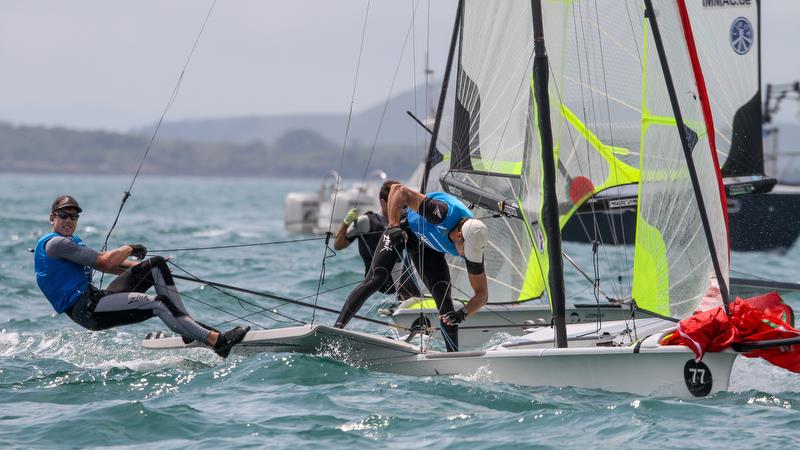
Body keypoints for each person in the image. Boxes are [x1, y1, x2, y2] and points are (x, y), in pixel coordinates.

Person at [34, 195, 249, 358]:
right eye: (63, 215)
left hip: (96, 298)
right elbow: (105, 262)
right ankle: (217, 342)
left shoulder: (71, 241)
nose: (69, 220)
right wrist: (130, 248)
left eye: (74, 216)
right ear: (52, 218)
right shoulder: (55, 244)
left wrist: (141, 267)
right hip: (88, 310)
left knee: (155, 266)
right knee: (158, 304)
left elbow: (111, 267)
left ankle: (190, 329)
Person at [335, 184, 489, 352]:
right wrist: (393, 225)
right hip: (403, 227)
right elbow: (397, 190)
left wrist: (462, 314)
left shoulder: (474, 241)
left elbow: (482, 295)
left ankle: (452, 358)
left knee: (444, 300)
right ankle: (337, 329)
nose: (464, 254)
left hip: (428, 248)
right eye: (464, 249)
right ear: (459, 235)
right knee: (377, 278)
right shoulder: (441, 212)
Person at [333, 180, 421, 301]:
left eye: (402, 204)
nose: (400, 208)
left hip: (401, 279)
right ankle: (409, 297)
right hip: (379, 280)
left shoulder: (404, 221)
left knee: (418, 246)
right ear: (383, 202)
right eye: (395, 203)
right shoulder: (366, 221)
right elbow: (338, 245)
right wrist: (345, 223)